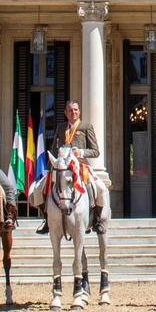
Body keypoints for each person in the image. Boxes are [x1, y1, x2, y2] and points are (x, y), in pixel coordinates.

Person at [34, 99, 107, 234]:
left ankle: (97, 220)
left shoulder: (86, 127)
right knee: (38, 190)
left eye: (75, 110)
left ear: (79, 112)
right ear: (65, 113)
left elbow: (95, 151)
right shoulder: (61, 127)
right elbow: (54, 149)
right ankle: (47, 219)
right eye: (70, 111)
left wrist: (81, 152)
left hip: (81, 167)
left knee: (101, 189)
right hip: (61, 168)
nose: (73, 112)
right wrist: (49, 168)